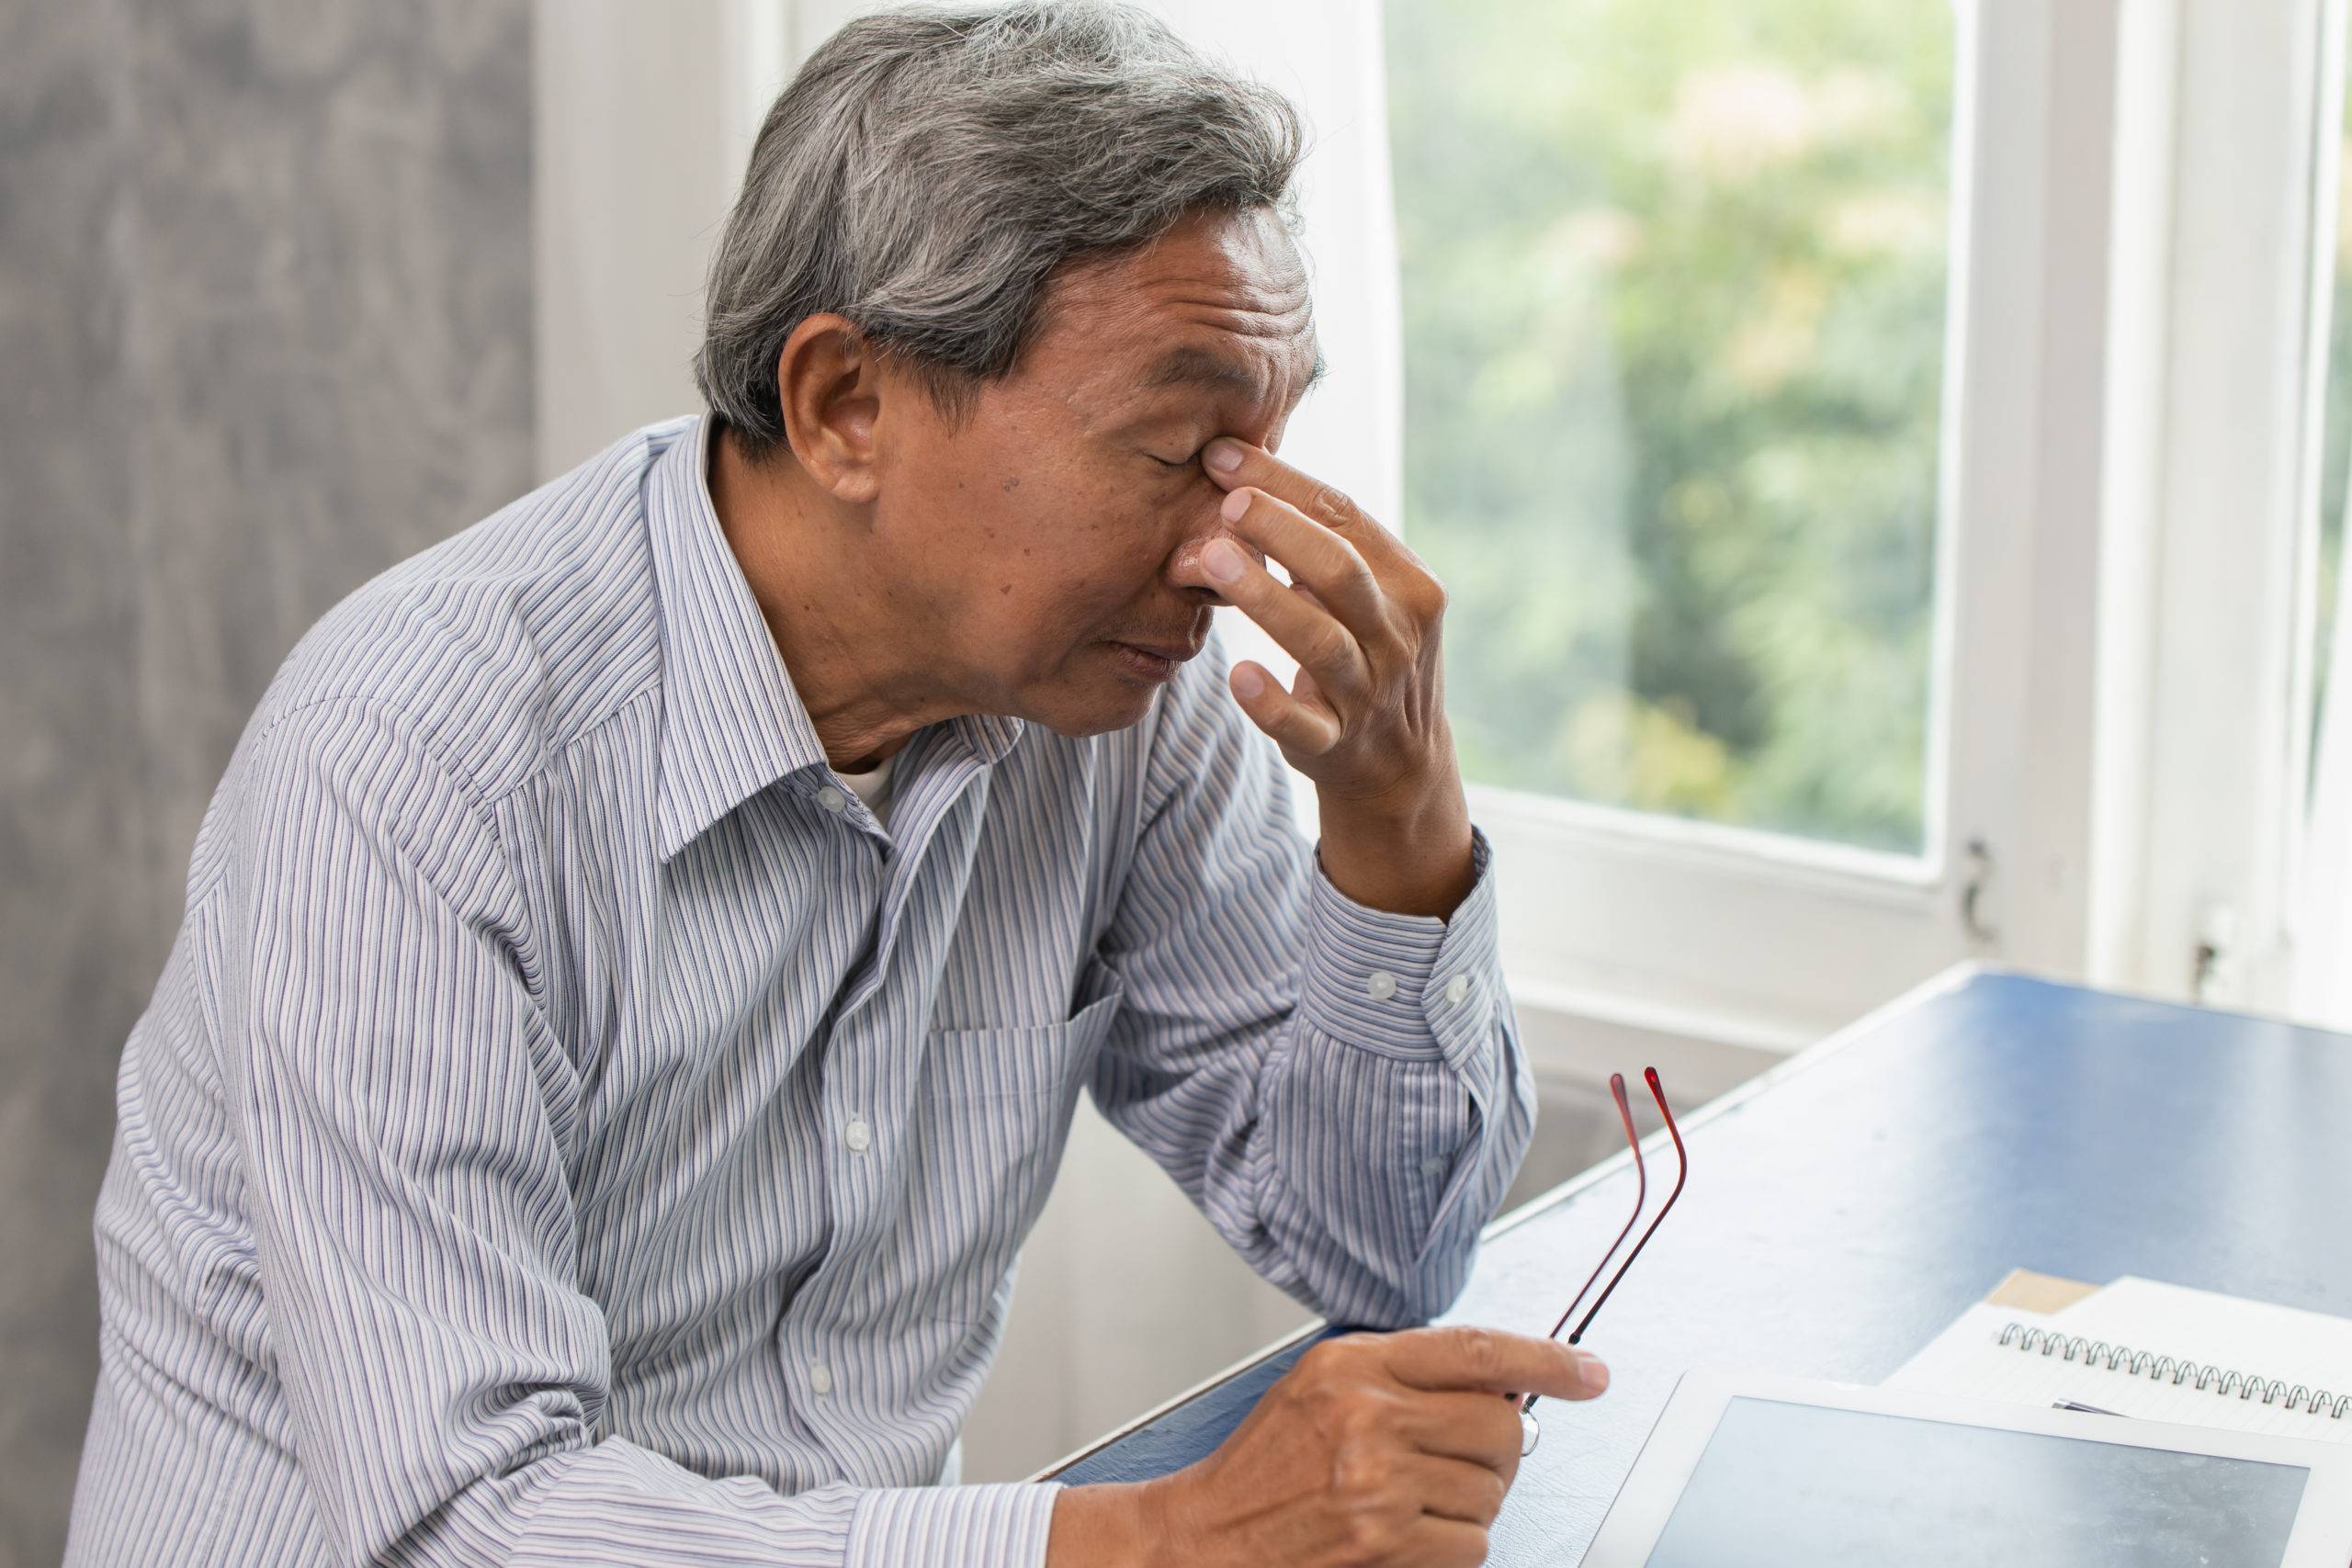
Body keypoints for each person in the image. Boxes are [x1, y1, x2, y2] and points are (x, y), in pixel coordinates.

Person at [64, 6, 1607, 1566]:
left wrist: (1397, 825)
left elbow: (1381, 1245)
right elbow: (469, 1523)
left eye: (1269, 448)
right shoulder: (413, 759)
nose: (1234, 553)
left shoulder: (1121, 701)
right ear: (845, 406)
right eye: (1178, 451)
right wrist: (1157, 1541)